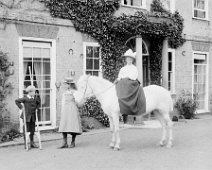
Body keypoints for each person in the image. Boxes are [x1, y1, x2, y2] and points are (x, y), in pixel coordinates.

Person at [115, 49, 146, 124]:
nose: (129, 60)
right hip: (124, 83)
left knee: (127, 83)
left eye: (130, 59)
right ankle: (120, 105)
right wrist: (118, 79)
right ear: (126, 59)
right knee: (118, 86)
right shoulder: (123, 68)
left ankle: (130, 102)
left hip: (131, 83)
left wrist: (126, 78)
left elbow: (134, 77)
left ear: (132, 60)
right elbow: (120, 76)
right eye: (128, 58)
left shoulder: (134, 68)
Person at [58, 76, 82, 149]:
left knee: (73, 125)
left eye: (66, 84)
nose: (65, 85)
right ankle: (64, 142)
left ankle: (73, 142)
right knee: (64, 124)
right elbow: (63, 101)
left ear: (69, 84)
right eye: (65, 84)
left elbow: (78, 101)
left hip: (72, 109)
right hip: (66, 109)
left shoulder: (75, 92)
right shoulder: (65, 92)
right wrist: (62, 111)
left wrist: (76, 99)